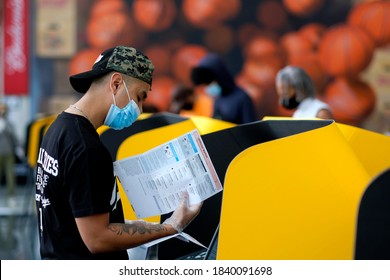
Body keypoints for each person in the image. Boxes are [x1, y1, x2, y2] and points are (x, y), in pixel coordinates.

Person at [35, 46, 202, 260]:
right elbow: (97, 239)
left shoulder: (58, 129)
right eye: (139, 97)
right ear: (115, 83)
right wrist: (172, 226)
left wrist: (135, 226)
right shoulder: (87, 149)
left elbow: (74, 215)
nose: (139, 109)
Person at [190, 53, 258, 124]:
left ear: (220, 77)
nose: (208, 87)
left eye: (210, 82)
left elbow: (250, 128)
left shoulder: (242, 98)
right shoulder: (218, 99)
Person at [0, 102, 17, 205]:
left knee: (10, 175)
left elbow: (13, 137)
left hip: (8, 152)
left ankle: (11, 196)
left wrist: (18, 147)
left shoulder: (8, 123)